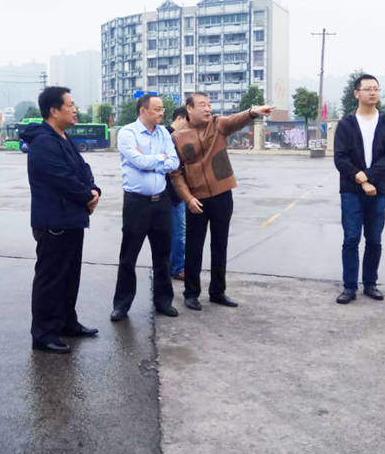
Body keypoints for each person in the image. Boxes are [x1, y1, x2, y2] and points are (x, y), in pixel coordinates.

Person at [170, 93, 273, 310]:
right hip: (196, 199)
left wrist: (252, 112)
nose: (208, 109)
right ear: (189, 108)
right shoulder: (177, 137)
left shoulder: (218, 125)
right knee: (194, 248)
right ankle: (191, 293)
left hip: (222, 195)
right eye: (202, 105)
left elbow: (236, 120)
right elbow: (176, 173)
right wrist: (188, 198)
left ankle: (218, 292)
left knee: (220, 245)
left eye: (209, 105)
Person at [21, 87, 101, 354]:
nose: (75, 109)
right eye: (70, 105)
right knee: (51, 278)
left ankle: (67, 322)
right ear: (54, 111)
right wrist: (87, 196)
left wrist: (94, 190)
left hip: (72, 218)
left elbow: (83, 169)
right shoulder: (43, 142)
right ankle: (43, 334)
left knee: (69, 275)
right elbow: (62, 178)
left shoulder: (64, 137)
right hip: (54, 221)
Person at [110, 94, 180, 322]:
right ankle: (121, 305)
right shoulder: (127, 133)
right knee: (128, 257)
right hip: (136, 204)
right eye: (157, 109)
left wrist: (153, 160)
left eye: (162, 109)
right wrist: (160, 159)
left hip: (161, 202)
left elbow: (174, 162)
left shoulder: (164, 134)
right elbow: (137, 162)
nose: (162, 113)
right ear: (143, 110)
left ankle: (163, 301)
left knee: (162, 256)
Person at [333, 73, 385, 304]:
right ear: (356, 93)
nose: (373, 93)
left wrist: (368, 177)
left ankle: (370, 283)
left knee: (374, 238)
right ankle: (349, 287)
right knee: (351, 238)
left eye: (376, 89)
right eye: (368, 89)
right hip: (351, 190)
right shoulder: (346, 124)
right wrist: (359, 179)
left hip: (379, 189)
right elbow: (340, 158)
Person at [166, 106, 189, 281]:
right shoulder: (167, 135)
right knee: (178, 233)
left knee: (177, 232)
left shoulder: (180, 137)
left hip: (179, 194)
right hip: (172, 195)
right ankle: (177, 267)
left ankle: (173, 265)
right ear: (180, 118)